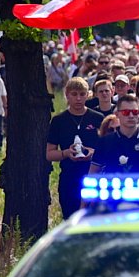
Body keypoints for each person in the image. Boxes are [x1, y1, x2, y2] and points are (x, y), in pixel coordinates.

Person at [45, 77, 104, 218]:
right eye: (74, 94)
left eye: (82, 94)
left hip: (93, 176)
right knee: (71, 218)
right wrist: (66, 153)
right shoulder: (59, 121)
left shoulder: (98, 118)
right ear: (67, 95)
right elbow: (49, 154)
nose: (78, 99)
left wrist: (93, 153)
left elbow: (108, 151)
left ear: (88, 95)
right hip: (69, 177)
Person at [89, 95, 139, 174]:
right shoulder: (105, 142)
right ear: (117, 114)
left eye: (134, 112)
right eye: (126, 112)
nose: (131, 116)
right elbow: (92, 174)